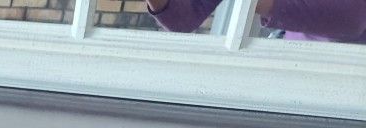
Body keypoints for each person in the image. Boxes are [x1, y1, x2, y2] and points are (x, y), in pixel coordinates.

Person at [147, 0, 366, 42]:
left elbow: (351, 16)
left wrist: (252, 3)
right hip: (295, 69)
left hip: (348, 82)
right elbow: (183, 20)